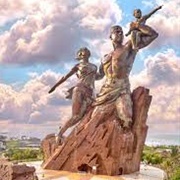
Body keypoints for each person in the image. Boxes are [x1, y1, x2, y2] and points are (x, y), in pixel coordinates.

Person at [93, 25, 158, 128]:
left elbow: (153, 35)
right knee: (94, 120)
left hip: (121, 89)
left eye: (121, 32)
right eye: (116, 31)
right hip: (105, 91)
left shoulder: (129, 46)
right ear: (110, 36)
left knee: (127, 120)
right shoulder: (106, 57)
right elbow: (99, 75)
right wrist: (85, 76)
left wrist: (137, 25)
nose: (120, 34)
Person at [49, 47, 97, 143]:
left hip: (90, 92)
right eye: (82, 51)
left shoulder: (94, 66)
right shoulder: (78, 66)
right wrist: (55, 86)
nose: (85, 50)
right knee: (76, 116)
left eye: (86, 50)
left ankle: (82, 136)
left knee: (88, 115)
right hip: (79, 90)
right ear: (79, 55)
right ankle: (60, 133)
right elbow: (65, 77)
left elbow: (98, 76)